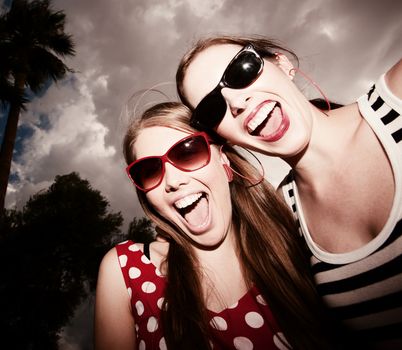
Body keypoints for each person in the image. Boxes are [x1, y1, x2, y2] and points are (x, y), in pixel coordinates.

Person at [175, 34, 402, 349]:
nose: (237, 103)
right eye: (213, 109)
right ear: (221, 136)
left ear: (282, 64)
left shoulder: (396, 99)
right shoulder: (284, 219)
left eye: (241, 70)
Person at [94, 101, 337, 350]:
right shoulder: (126, 272)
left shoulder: (296, 237)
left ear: (224, 162)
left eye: (188, 152)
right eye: (150, 170)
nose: (173, 181)